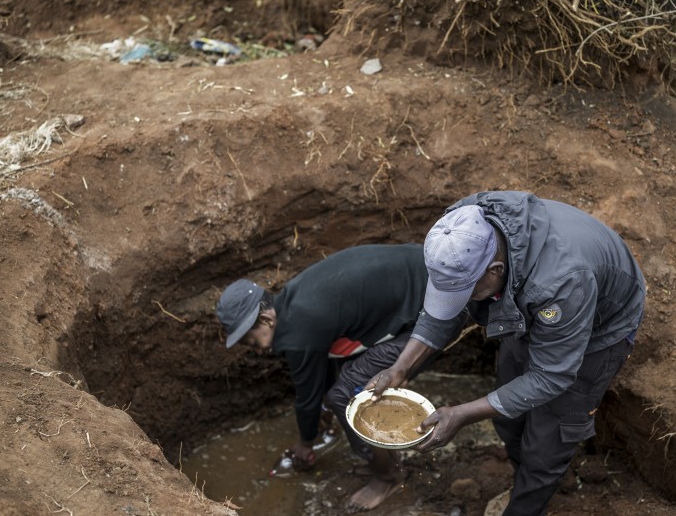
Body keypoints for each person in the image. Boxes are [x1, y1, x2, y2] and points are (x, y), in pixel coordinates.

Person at [366, 191, 646, 516]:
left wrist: (463, 414)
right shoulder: (461, 227)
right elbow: (448, 308)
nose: (462, 301)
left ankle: (528, 502)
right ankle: (521, 477)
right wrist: (401, 367)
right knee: (510, 422)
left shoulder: (559, 283)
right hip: (523, 302)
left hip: (597, 328)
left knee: (546, 446)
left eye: (466, 292)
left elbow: (552, 375)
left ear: (495, 270)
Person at [215, 243, 468, 512]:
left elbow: (307, 398)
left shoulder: (298, 334)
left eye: (249, 340)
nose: (253, 348)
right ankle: (384, 455)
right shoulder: (294, 302)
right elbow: (320, 367)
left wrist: (305, 443)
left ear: (266, 320)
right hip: (436, 280)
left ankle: (388, 477)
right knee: (348, 379)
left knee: (345, 395)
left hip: (440, 308)